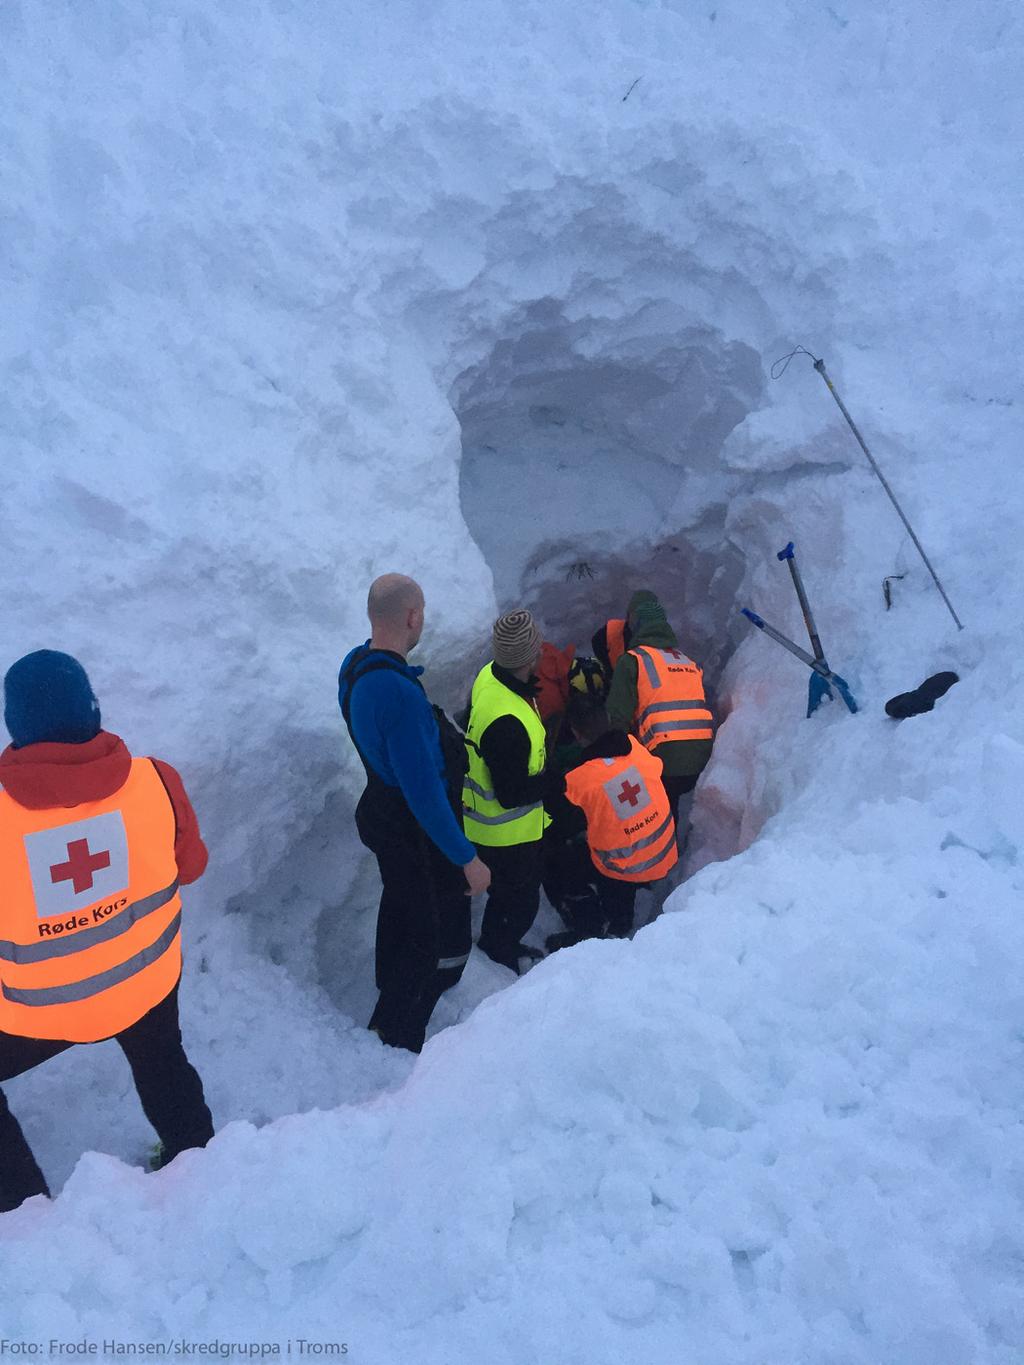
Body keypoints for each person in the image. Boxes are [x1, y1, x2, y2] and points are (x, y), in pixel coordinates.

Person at [0, 651, 213, 1215]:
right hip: (145, 981)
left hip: (38, 1017)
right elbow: (189, 867)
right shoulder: (157, 780)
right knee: (163, 1060)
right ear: (93, 710)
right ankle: (199, 1162)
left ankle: (25, 1217)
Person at [338, 574, 490, 1053]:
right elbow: (424, 793)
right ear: (412, 617)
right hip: (414, 831)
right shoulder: (398, 695)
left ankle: (388, 1011)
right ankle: (400, 1035)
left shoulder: (355, 665)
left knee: (400, 906)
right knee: (431, 937)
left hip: (383, 813)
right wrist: (467, 858)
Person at [546, 692, 678, 950]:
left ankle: (589, 928)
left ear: (576, 733)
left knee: (558, 858)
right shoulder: (634, 747)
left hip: (625, 866)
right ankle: (622, 918)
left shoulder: (580, 781)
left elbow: (560, 825)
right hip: (662, 852)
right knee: (620, 836)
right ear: (607, 719)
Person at [462, 609, 550, 974]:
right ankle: (499, 948)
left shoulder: (490, 676)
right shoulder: (507, 724)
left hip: (492, 827)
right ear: (530, 655)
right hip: (505, 834)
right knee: (518, 900)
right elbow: (511, 794)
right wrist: (558, 780)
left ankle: (499, 940)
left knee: (509, 895)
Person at [606, 590, 714, 824]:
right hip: (701, 762)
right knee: (669, 801)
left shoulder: (632, 660)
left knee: (650, 809)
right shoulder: (686, 660)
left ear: (635, 625)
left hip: (664, 762)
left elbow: (616, 718)